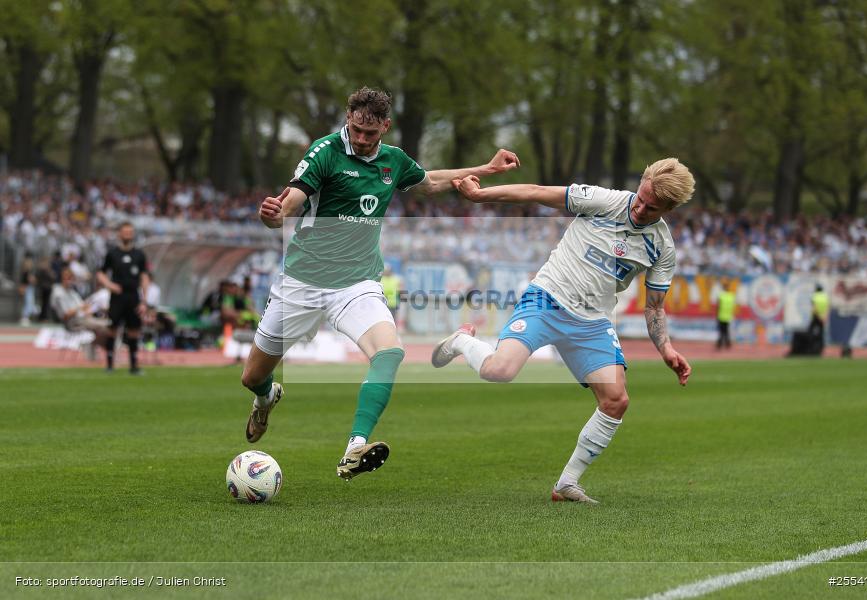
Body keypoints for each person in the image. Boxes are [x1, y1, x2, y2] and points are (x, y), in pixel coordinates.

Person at [243, 86, 520, 480]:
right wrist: (272, 216)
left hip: (356, 283)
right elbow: (288, 205)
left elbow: (430, 181)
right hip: (302, 282)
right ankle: (266, 398)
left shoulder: (394, 160)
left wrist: (487, 169)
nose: (361, 138)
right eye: (355, 129)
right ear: (348, 119)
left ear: (385, 127)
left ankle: (355, 446)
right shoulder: (325, 152)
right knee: (252, 376)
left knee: (389, 352)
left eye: (370, 133)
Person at [432, 158, 694, 504]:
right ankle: (463, 340)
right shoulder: (604, 200)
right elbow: (535, 191)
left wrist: (666, 349)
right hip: (547, 299)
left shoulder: (662, 247)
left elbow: (655, 307)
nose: (640, 208)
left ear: (669, 210)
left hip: (592, 322)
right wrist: (481, 196)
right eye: (640, 198)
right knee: (499, 371)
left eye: (651, 208)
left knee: (616, 401)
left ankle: (567, 484)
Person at [96, 222, 150, 374]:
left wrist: (144, 300)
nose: (127, 234)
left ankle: (134, 366)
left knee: (134, 331)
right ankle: (109, 365)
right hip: (117, 297)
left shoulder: (139, 254)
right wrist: (109, 285)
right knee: (112, 330)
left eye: (130, 232)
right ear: (119, 234)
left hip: (133, 296)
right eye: (125, 232)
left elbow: (144, 277)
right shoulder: (112, 253)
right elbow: (100, 273)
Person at [50, 267, 110, 345]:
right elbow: (65, 315)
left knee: (105, 325)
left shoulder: (72, 292)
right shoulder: (58, 292)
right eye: (67, 278)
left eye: (71, 278)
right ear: (62, 278)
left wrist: (90, 310)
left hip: (82, 318)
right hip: (72, 322)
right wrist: (80, 308)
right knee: (105, 326)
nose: (69, 281)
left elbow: (84, 306)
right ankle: (98, 346)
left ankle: (93, 346)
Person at [715, 282, 736, 350]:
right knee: (726, 331)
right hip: (728, 317)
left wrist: (717, 315)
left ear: (723, 288)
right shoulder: (731, 296)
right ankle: (727, 343)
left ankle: (720, 344)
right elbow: (733, 307)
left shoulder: (721, 296)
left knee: (721, 331)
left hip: (721, 316)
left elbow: (718, 306)